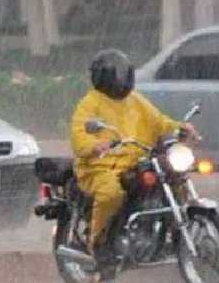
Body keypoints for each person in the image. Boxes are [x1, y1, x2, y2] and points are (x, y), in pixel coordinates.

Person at [70, 49, 199, 268]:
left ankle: (169, 231)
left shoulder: (135, 101)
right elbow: (78, 132)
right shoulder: (90, 103)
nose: (119, 81)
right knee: (112, 193)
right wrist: (94, 146)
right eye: (115, 76)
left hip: (135, 162)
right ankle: (100, 242)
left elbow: (159, 121)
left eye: (122, 75)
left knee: (174, 177)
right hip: (100, 167)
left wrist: (180, 129)